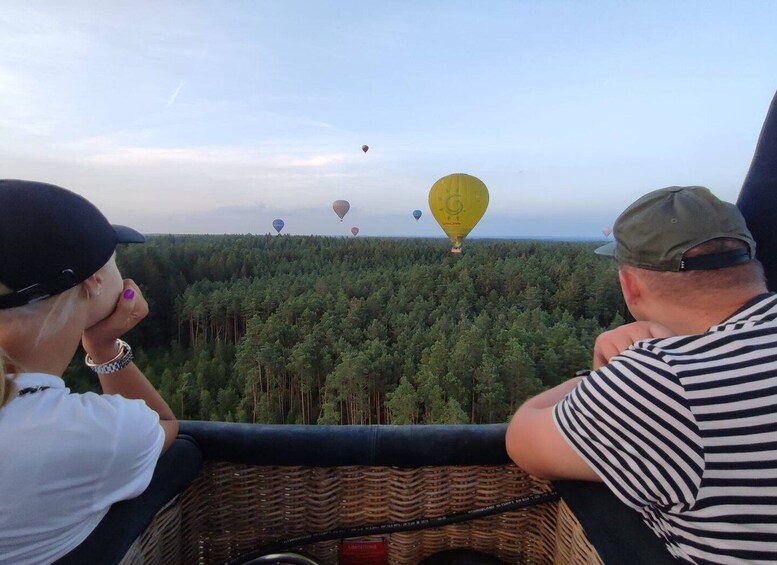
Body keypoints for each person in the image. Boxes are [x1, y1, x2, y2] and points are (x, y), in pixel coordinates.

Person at [505, 185, 777, 564]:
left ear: (629, 286)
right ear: (749, 259)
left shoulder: (665, 379)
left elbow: (522, 439)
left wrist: (606, 373)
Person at [0, 179, 179, 564]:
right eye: (114, 263)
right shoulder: (95, 434)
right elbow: (163, 424)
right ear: (93, 284)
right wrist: (102, 348)